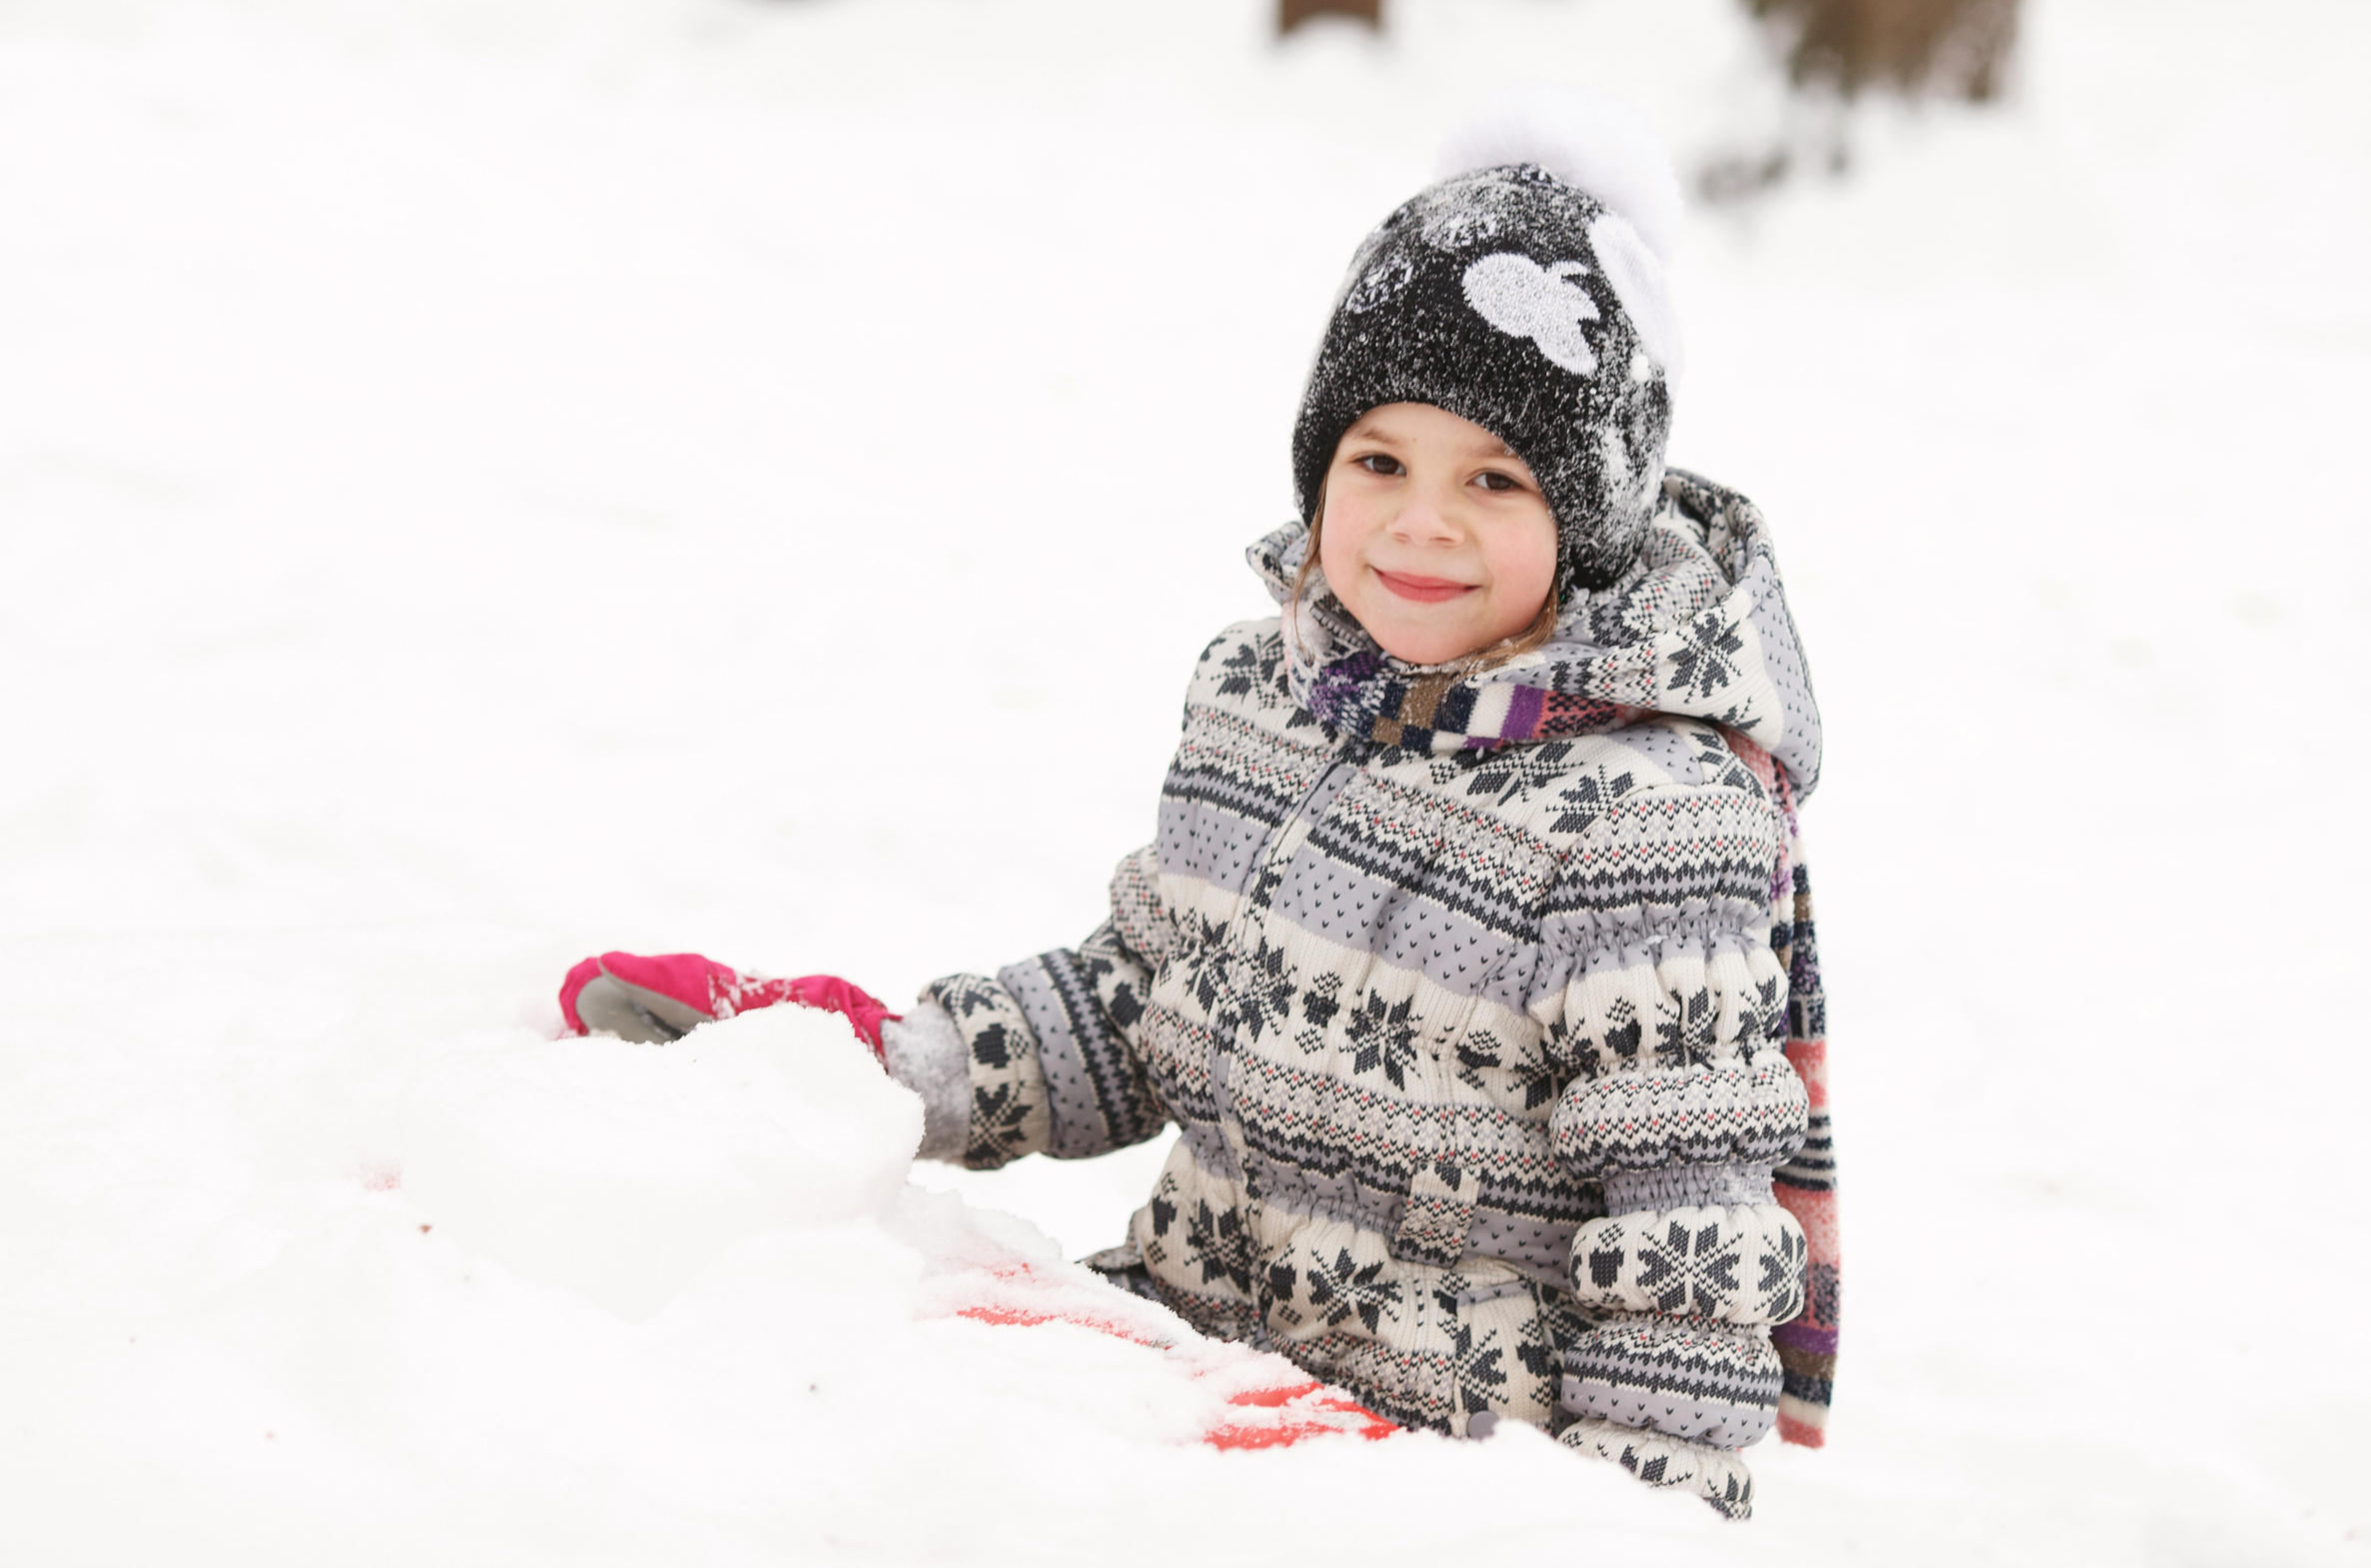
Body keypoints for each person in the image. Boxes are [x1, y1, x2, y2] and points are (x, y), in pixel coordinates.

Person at [559, 97, 1839, 1520]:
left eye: (1495, 478)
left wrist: (1624, 1533)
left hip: (1437, 1487)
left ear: (1591, 520)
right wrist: (884, 1072)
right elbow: (1149, 999)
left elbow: (1688, 1239)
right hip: (1187, 1377)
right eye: (1378, 461)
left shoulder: (1642, 822)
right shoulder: (1269, 695)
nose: (1422, 522)